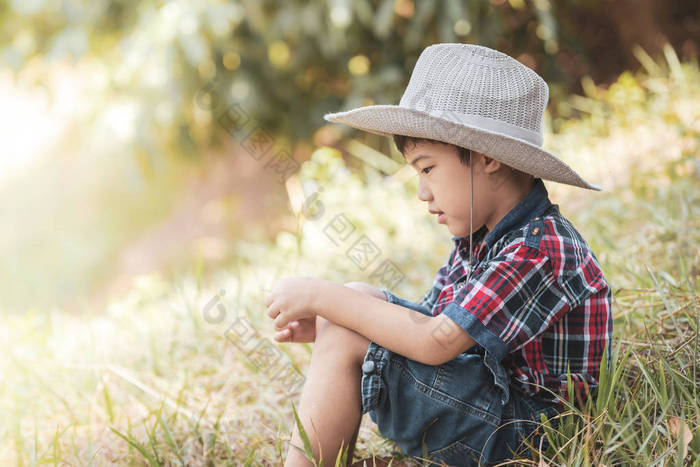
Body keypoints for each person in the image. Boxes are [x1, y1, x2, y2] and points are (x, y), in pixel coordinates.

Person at [265, 43, 613, 467]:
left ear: (487, 158)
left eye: (428, 168)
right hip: (496, 410)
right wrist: (335, 324)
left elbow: (434, 343)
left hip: (531, 435)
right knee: (356, 302)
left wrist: (323, 297)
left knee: (347, 305)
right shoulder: (482, 242)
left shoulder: (538, 249)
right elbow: (426, 321)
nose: (422, 192)